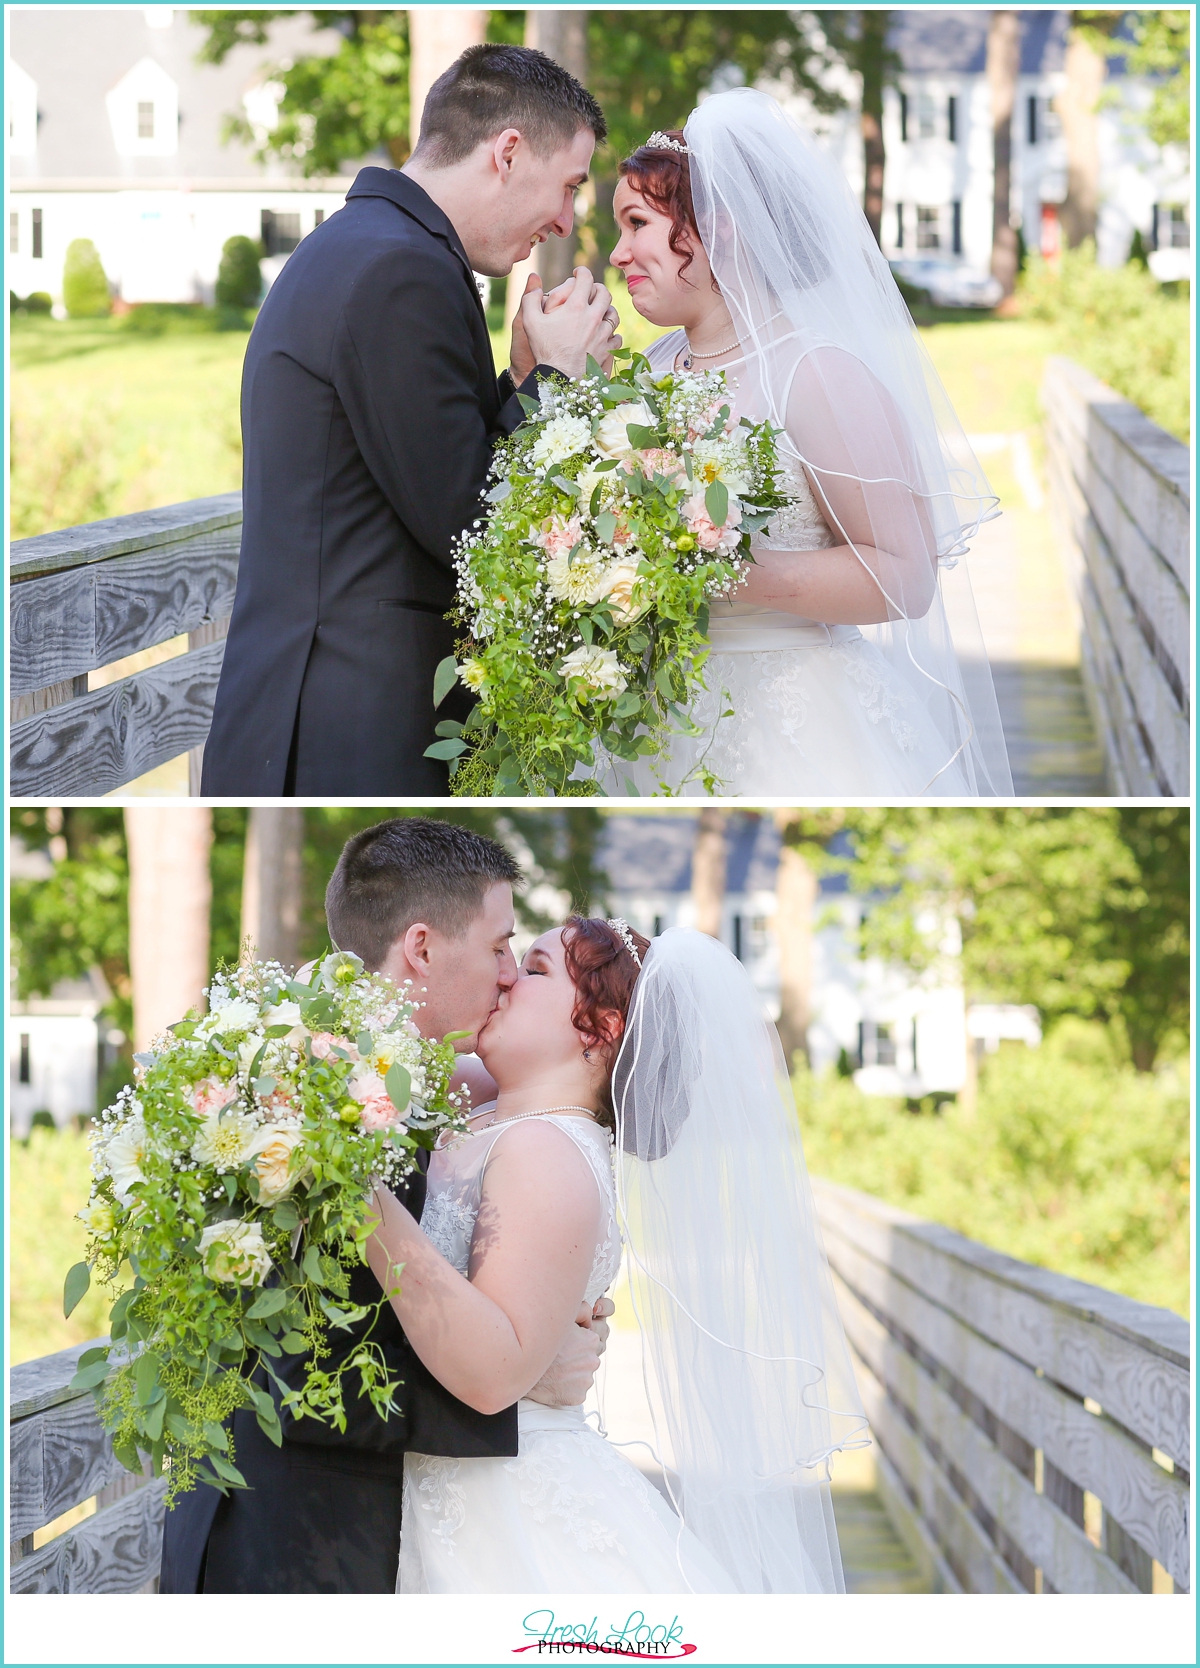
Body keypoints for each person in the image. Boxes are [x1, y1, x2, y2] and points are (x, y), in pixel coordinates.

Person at [160, 819, 611, 1593]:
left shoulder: (421, 1092)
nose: (507, 974)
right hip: (286, 1539)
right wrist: (524, 1386)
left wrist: (530, 1341)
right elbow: (293, 1367)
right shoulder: (298, 1087)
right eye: (502, 946)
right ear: (425, 947)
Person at [367, 919, 869, 1593]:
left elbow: (493, 1374)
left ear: (599, 1028)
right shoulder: (488, 1109)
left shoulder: (547, 1152)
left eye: (537, 969)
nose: (508, 976)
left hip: (507, 1511)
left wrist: (361, 1201)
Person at [201, 46, 620, 796]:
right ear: (508, 152)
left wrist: (522, 381)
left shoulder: (376, 246)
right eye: (567, 188)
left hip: (329, 712)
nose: (562, 221)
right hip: (348, 728)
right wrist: (560, 383)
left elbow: (422, 465)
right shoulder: (400, 271)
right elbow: (470, 523)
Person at [594, 89, 1013, 797]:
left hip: (798, 721)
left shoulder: (818, 375)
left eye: (637, 224)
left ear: (718, 228)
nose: (618, 252)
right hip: (653, 723)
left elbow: (906, 578)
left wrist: (735, 572)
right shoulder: (647, 373)